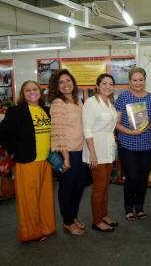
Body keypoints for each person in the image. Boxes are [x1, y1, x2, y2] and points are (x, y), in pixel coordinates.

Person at [0, 81, 56, 242]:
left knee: (45, 198)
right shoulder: (16, 112)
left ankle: (46, 227)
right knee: (29, 199)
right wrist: (14, 151)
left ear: (40, 92)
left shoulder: (46, 110)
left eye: (35, 89)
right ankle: (31, 232)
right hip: (27, 161)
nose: (32, 92)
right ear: (23, 94)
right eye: (27, 90)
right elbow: (2, 133)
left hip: (46, 161)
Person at [49, 69, 88, 236]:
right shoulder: (58, 103)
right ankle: (67, 221)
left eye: (68, 80)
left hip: (81, 150)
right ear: (56, 87)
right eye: (61, 82)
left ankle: (73, 215)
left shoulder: (78, 101)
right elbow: (58, 132)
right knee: (67, 188)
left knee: (79, 187)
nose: (66, 84)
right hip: (69, 152)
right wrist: (65, 158)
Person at [115, 67, 151, 222]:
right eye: (135, 80)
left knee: (143, 176)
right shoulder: (123, 98)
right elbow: (117, 123)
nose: (138, 83)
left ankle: (139, 206)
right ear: (129, 81)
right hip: (128, 143)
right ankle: (128, 207)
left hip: (147, 144)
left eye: (141, 79)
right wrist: (130, 132)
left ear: (145, 80)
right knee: (131, 176)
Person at [82, 73, 118, 232]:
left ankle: (104, 214)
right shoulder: (91, 102)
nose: (108, 86)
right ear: (97, 85)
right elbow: (87, 129)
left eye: (111, 84)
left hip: (108, 148)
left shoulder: (109, 103)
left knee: (105, 185)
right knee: (98, 186)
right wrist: (93, 154)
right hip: (95, 148)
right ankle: (96, 221)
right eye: (104, 83)